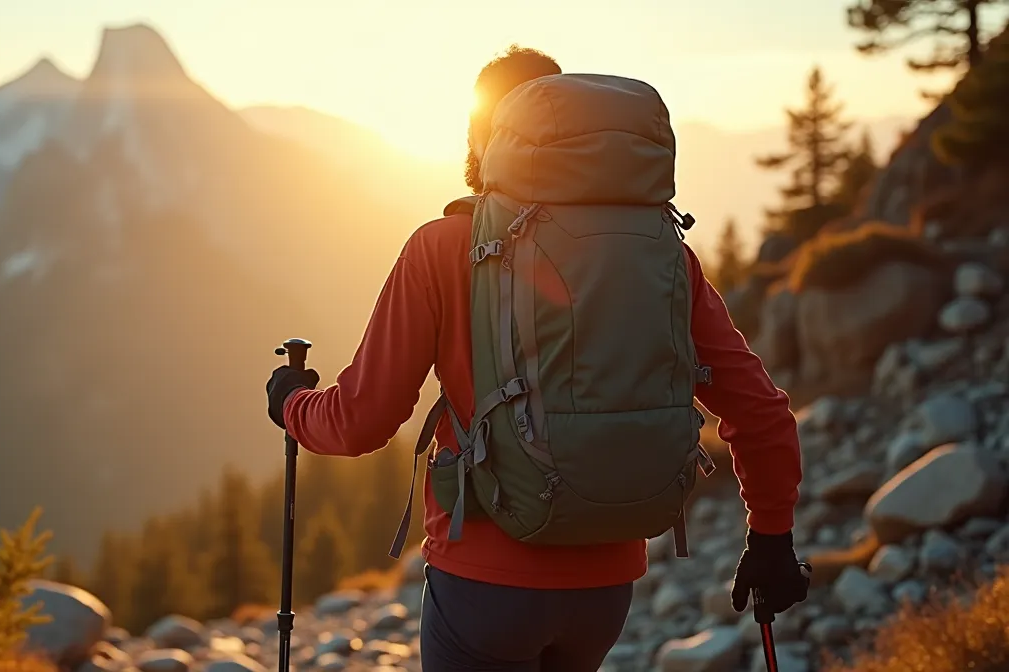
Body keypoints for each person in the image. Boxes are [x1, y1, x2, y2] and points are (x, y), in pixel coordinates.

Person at [266, 45, 807, 672]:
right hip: (605, 589)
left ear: (481, 141)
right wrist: (771, 536)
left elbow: (362, 419)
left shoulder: (443, 249)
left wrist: (292, 406)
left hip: (483, 589)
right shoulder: (660, 251)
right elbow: (759, 410)